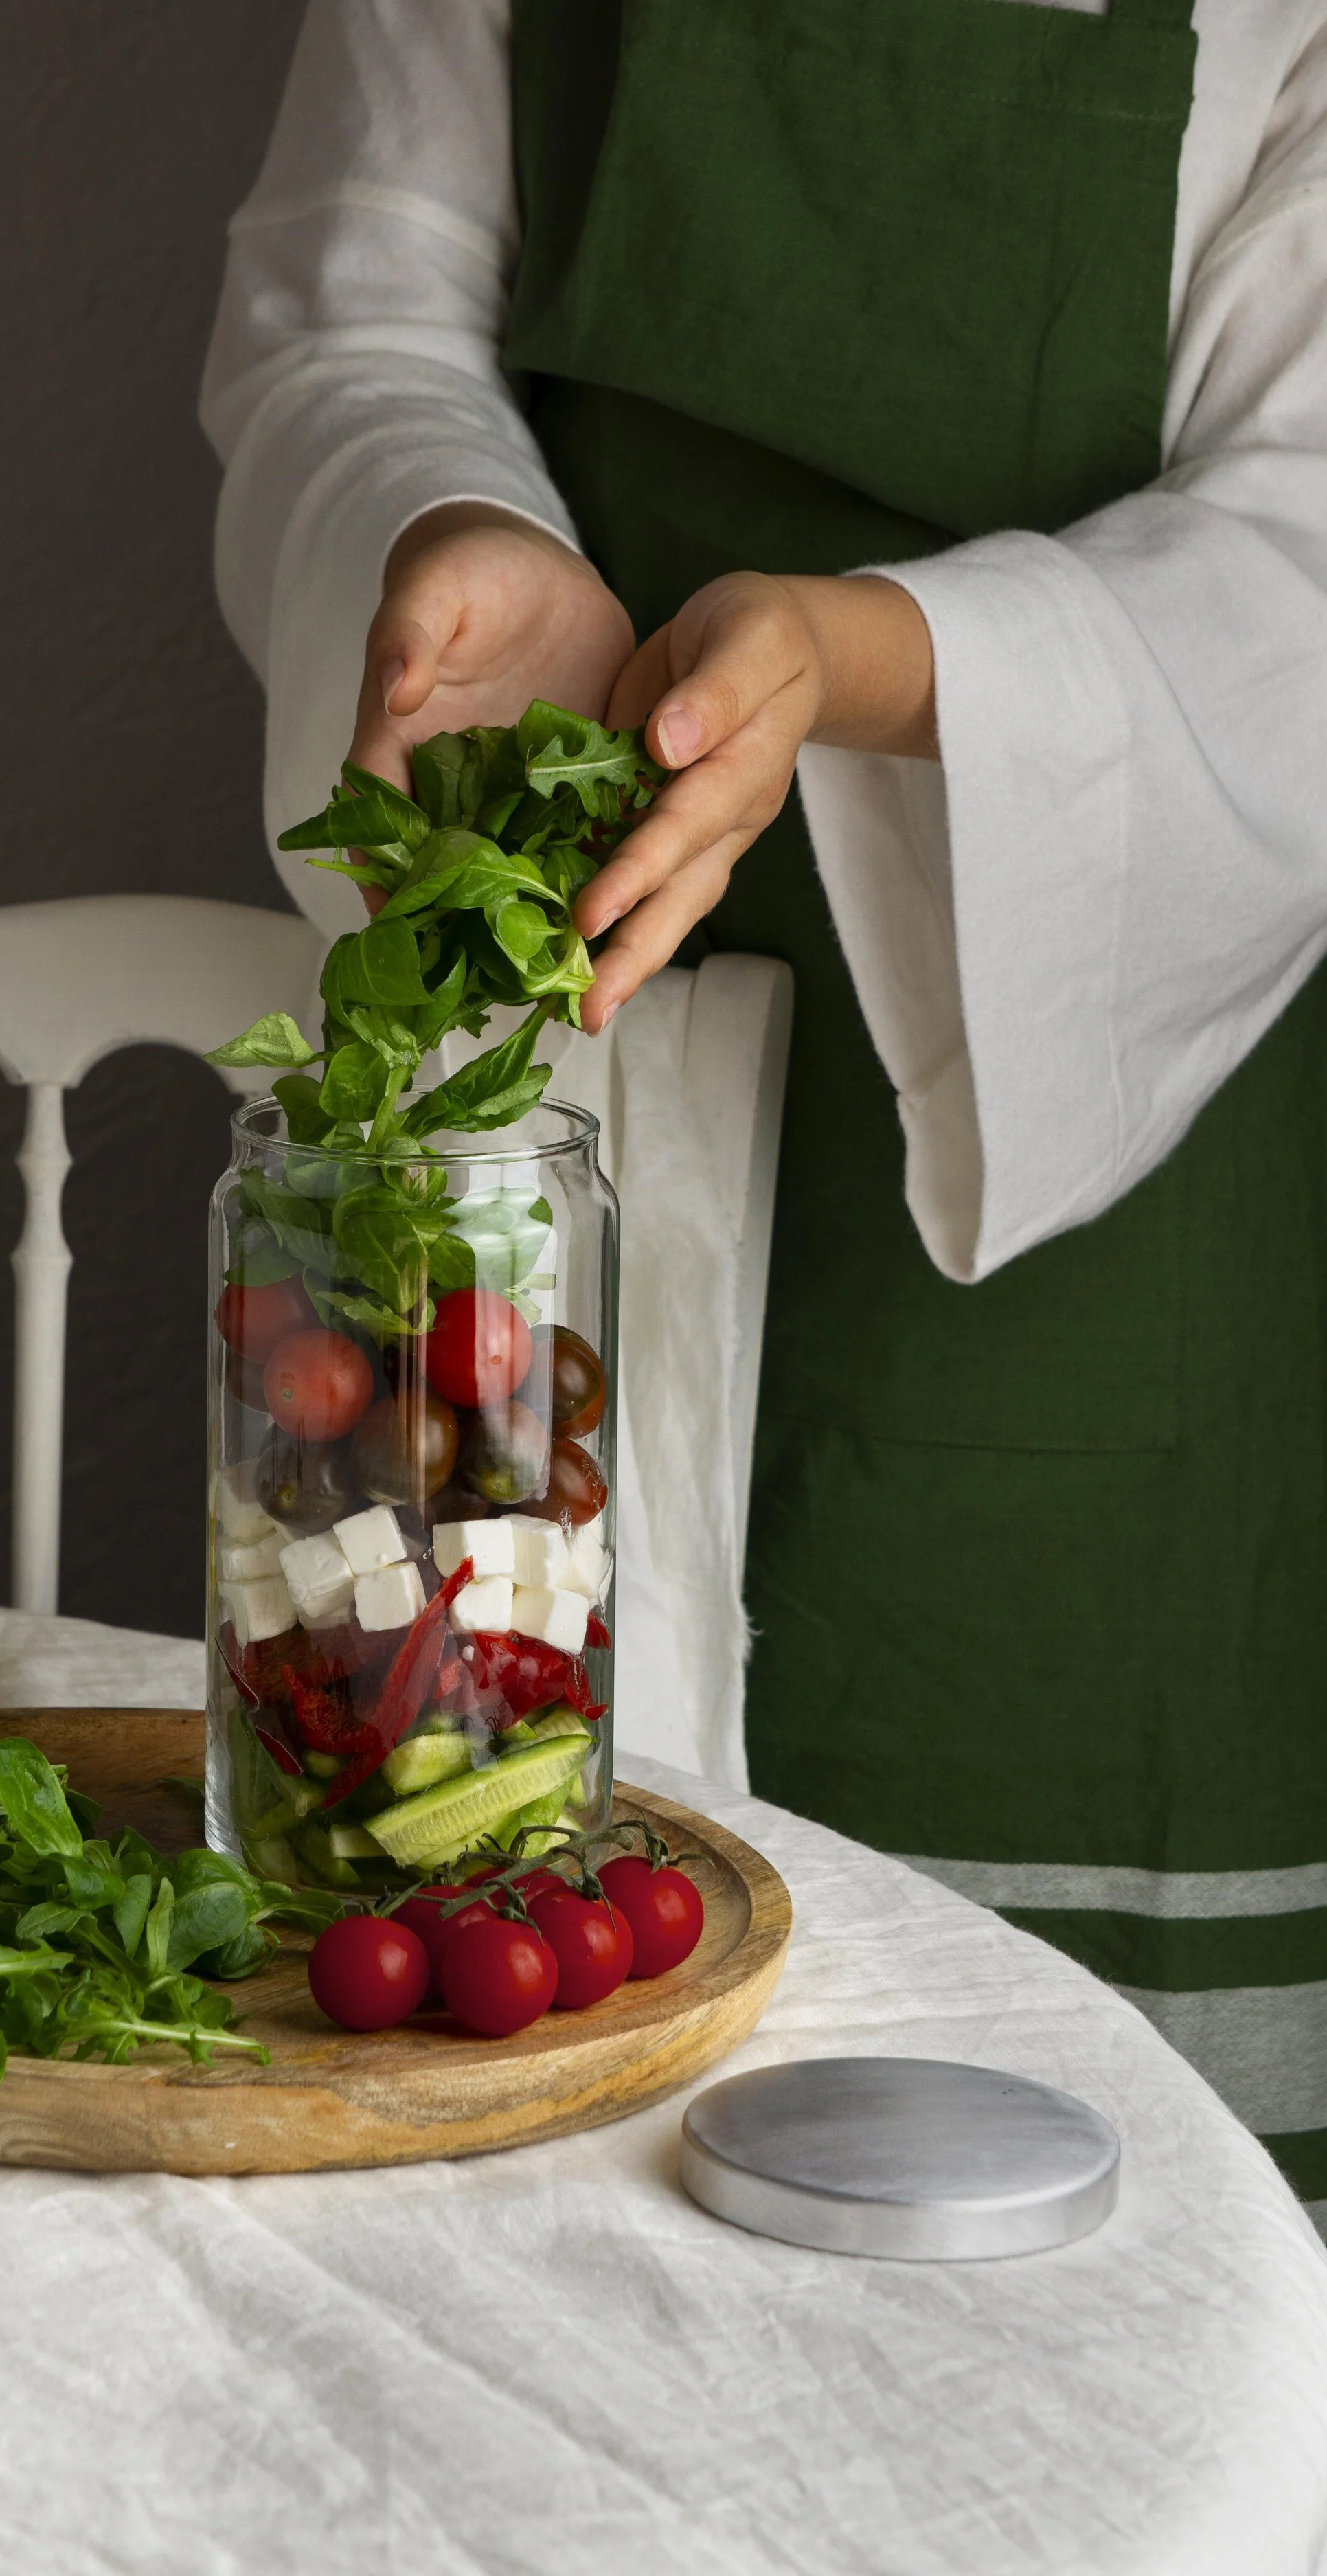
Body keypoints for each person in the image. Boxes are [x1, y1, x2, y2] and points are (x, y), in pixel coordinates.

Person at [202, 0, 1327, 2222]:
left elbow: (1303, 551)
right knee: (485, 2098)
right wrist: (453, 525)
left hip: (1097, 1082)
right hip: (546, 1004)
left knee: (1069, 2219)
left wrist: (855, 655)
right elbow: (348, 306)